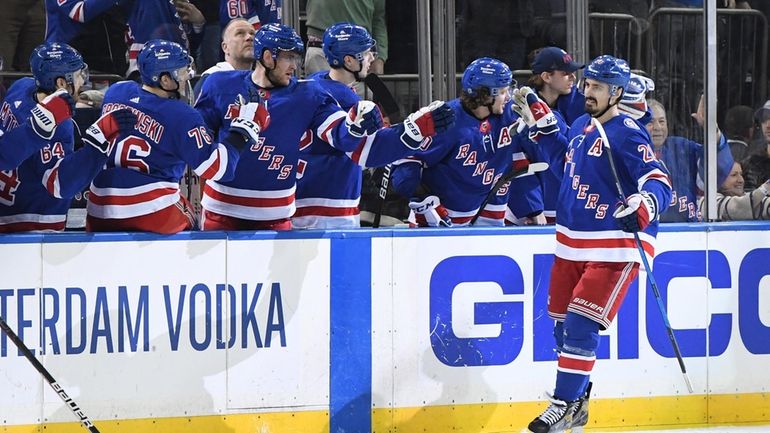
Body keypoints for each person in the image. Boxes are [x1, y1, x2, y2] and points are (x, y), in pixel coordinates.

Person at [520, 55, 672, 433]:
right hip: (571, 245)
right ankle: (578, 404)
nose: (588, 92)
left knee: (579, 325)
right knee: (560, 329)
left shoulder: (627, 132)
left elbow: (659, 179)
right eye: (588, 85)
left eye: (598, 87)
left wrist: (644, 203)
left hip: (612, 248)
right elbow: (563, 162)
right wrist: (544, 128)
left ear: (617, 92)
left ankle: (562, 403)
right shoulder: (581, 126)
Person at [195, 23, 452, 230]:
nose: (294, 65)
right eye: (287, 58)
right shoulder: (219, 84)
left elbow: (343, 136)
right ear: (266, 57)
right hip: (223, 208)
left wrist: (355, 127)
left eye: (296, 57)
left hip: (276, 215)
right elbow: (197, 145)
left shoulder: (310, 93)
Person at [86, 39, 267, 234]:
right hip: (150, 208)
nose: (185, 78)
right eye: (181, 72)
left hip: (100, 205)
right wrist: (243, 131)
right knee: (194, 219)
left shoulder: (117, 92)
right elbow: (217, 168)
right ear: (164, 80)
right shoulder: (181, 114)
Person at [390, 57, 544, 227]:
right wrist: (421, 197)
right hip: (442, 215)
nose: (508, 97)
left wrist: (537, 127)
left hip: (489, 205)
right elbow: (405, 162)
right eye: (502, 92)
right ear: (485, 95)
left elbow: (524, 159)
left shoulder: (512, 114)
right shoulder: (446, 121)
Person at [0, 42, 134, 232]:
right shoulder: (60, 125)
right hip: (32, 223)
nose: (83, 81)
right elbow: (60, 184)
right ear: (61, 83)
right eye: (79, 75)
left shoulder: (20, 87)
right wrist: (97, 146)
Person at [516, 46, 584, 224]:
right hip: (539, 212)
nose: (573, 77)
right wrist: (532, 207)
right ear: (546, 77)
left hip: (573, 203)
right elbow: (517, 161)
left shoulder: (578, 102)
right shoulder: (522, 111)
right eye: (566, 73)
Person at [646, 98, 734, 222]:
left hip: (689, 232)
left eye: (662, 121)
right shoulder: (630, 154)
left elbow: (714, 171)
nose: (657, 127)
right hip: (647, 234)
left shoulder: (681, 148)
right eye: (650, 122)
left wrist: (712, 129)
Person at [304, 0, 387, 75]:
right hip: (321, 47)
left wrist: (379, 57)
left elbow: (378, 20)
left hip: (360, 53)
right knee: (322, 90)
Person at [193, 18, 256, 99]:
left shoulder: (263, 80)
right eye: (240, 33)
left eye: (252, 33)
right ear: (225, 47)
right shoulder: (211, 78)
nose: (249, 37)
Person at [697, 161, 770, 220]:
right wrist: (766, 187)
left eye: (741, 174)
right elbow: (738, 207)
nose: (741, 180)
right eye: (734, 175)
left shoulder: (748, 198)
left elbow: (763, 204)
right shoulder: (707, 202)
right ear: (718, 179)